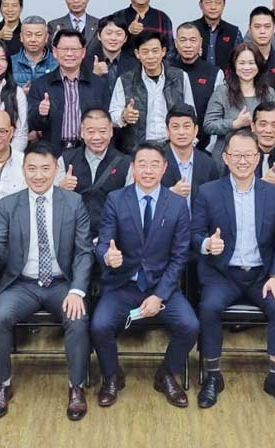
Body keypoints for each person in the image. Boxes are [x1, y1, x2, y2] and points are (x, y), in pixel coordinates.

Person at [0, 142, 94, 421]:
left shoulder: (73, 203)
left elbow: (84, 252)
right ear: (23, 170)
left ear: (55, 169)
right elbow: (0, 247)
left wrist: (77, 291)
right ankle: (3, 383)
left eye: (45, 168)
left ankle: (76, 386)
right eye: (32, 169)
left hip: (61, 283)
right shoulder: (9, 205)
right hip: (22, 283)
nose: (38, 175)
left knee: (77, 319)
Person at [191, 130, 275, 411]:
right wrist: (206, 244)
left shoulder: (274, 194)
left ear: (258, 158)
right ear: (225, 158)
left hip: (262, 275)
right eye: (236, 155)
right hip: (222, 275)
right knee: (209, 307)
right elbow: (194, 235)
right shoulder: (208, 192)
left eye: (248, 155)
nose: (242, 161)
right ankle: (212, 376)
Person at [91, 142, 198, 409]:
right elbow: (104, 242)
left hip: (162, 287)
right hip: (122, 285)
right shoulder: (116, 199)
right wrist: (107, 256)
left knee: (190, 325)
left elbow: (179, 257)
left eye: (154, 165)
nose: (148, 171)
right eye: (142, 164)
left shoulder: (177, 205)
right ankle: (112, 376)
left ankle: (167, 374)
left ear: (164, 168)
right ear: (133, 168)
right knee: (99, 325)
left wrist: (159, 295)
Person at [109, 31, 195, 152]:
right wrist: (124, 116)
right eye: (145, 52)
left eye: (155, 51)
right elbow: (112, 116)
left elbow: (191, 112)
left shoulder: (179, 77)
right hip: (139, 148)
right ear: (137, 54)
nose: (150, 56)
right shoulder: (125, 80)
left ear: (163, 51)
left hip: (172, 146)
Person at [27, 30, 110, 150]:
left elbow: (107, 120)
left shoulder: (99, 84)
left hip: (88, 150)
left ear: (83, 52)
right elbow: (30, 123)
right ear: (55, 52)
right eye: (64, 49)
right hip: (53, 152)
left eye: (75, 49)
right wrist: (41, 113)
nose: (69, 54)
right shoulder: (40, 84)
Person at [55, 109, 132, 235]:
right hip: (73, 233)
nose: (97, 137)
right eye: (91, 131)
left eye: (102, 131)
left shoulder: (125, 163)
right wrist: (60, 187)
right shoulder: (66, 160)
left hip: (111, 234)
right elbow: (50, 199)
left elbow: (130, 204)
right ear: (82, 132)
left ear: (111, 132)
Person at [203, 43, 275, 155]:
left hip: (258, 153)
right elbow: (209, 125)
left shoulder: (268, 93)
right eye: (242, 63)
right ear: (234, 65)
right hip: (227, 153)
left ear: (258, 65)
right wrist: (234, 124)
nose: (247, 68)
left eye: (251, 63)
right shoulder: (222, 91)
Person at [171, 21, 224, 148]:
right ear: (176, 43)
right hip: (171, 144)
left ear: (200, 42)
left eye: (192, 40)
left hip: (206, 145)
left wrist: (210, 147)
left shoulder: (215, 73)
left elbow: (219, 113)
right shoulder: (166, 71)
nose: (188, 45)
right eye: (183, 40)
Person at [160, 104, 218, 205]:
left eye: (186, 126)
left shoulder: (208, 164)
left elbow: (214, 202)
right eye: (175, 127)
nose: (181, 132)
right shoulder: (156, 161)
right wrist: (170, 194)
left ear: (195, 130)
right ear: (167, 131)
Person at [193, 0, 242, 70]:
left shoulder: (234, 32)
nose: (213, 7)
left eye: (218, 3)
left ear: (223, 5)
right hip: (195, 77)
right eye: (208, 3)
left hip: (226, 78)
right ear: (200, 5)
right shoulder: (191, 29)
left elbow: (241, 60)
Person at [246, 6, 275, 93]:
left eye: (267, 26)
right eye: (257, 26)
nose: (262, 31)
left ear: (274, 29)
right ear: (249, 29)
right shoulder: (240, 61)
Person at [86, 16, 135, 88]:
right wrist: (95, 75)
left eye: (118, 34)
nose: (113, 38)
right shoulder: (85, 62)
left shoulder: (135, 63)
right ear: (99, 36)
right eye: (108, 33)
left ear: (125, 38)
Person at [11, 15, 56, 89]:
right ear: (21, 37)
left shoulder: (57, 63)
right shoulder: (10, 62)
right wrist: (20, 93)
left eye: (38, 35)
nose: (33, 39)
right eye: (28, 35)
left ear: (46, 38)